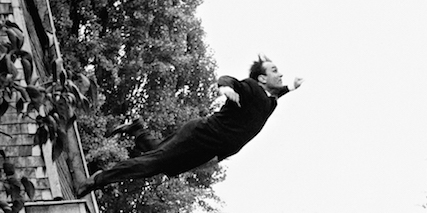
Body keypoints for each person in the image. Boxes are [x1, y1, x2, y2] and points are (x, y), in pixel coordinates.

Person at [77, 56, 303, 195]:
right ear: (262, 78)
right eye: (274, 71)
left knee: (162, 161)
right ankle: (95, 180)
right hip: (200, 136)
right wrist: (224, 88)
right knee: (153, 164)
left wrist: (291, 87)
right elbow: (230, 79)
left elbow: (274, 96)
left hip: (209, 151)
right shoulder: (252, 87)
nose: (280, 73)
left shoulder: (269, 102)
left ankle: (137, 129)